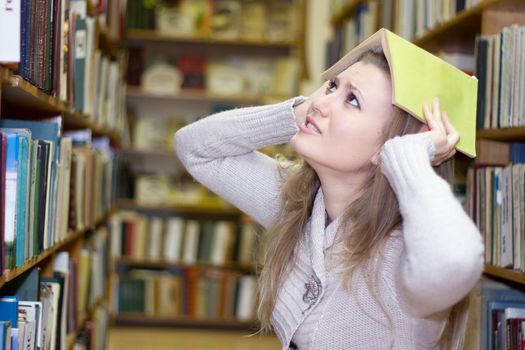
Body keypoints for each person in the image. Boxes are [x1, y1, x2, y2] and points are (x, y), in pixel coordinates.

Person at [174, 49, 484, 349]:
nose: (321, 102)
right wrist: (297, 113)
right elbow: (194, 148)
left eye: (352, 100)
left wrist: (412, 155)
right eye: (333, 86)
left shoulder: (404, 252)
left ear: (390, 146)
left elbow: (456, 261)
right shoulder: (300, 206)